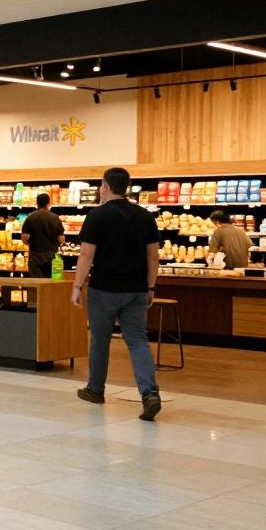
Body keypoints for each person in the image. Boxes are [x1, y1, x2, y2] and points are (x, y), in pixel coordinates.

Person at [70, 167, 163, 421]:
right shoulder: (145, 215)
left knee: (100, 340)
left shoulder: (97, 216)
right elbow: (153, 256)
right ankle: (150, 394)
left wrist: (77, 286)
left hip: (104, 288)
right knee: (137, 340)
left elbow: (86, 255)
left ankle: (95, 390)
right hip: (136, 288)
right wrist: (151, 287)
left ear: (105, 186)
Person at [21, 193, 67, 278]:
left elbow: (24, 238)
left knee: (36, 281)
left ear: (37, 203)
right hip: (52, 255)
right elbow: (61, 240)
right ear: (49, 203)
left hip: (35, 255)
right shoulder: (55, 218)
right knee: (52, 281)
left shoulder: (31, 217)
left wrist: (30, 243)